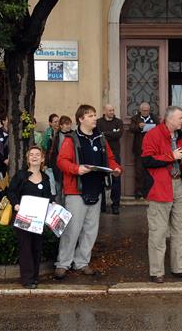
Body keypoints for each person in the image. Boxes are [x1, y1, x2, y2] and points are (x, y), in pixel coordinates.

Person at [54, 105, 121, 280]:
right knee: (72, 229)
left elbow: (111, 158)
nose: (94, 118)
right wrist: (77, 169)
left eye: (94, 115)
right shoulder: (72, 139)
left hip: (96, 189)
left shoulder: (100, 138)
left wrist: (115, 168)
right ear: (81, 119)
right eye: (90, 115)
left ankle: (82, 262)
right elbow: (61, 161)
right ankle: (63, 263)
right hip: (76, 190)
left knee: (91, 230)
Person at [142, 106, 182, 284]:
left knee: (181, 228)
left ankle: (179, 267)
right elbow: (147, 160)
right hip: (160, 186)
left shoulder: (180, 135)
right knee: (158, 231)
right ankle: (156, 271)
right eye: (180, 118)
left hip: (178, 183)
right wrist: (170, 156)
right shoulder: (153, 135)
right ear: (169, 119)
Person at [8, 146, 54, 289]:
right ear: (28, 159)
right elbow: (11, 192)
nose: (34, 157)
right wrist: (16, 204)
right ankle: (27, 279)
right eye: (31, 155)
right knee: (26, 247)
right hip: (24, 217)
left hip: (38, 219)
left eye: (37, 155)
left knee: (36, 247)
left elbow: (48, 195)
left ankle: (34, 277)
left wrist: (52, 203)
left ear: (42, 159)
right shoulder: (21, 176)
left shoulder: (45, 178)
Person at [97, 104, 124, 214]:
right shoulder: (99, 122)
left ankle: (115, 205)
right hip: (101, 154)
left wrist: (105, 134)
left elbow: (119, 134)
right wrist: (112, 133)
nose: (112, 112)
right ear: (104, 111)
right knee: (101, 179)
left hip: (115, 154)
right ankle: (102, 205)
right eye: (110, 110)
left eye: (113, 110)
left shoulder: (118, 122)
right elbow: (98, 135)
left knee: (116, 179)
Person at [129, 102, 158, 199]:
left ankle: (148, 192)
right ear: (140, 110)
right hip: (139, 149)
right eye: (144, 110)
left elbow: (159, 128)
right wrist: (139, 126)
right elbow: (131, 128)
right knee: (139, 172)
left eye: (147, 110)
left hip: (152, 149)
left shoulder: (154, 117)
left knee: (150, 171)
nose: (146, 112)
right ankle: (139, 192)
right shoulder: (135, 118)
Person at [49, 115, 73, 205]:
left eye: (70, 124)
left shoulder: (73, 135)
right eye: (66, 124)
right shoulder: (57, 136)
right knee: (58, 189)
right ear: (61, 125)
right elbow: (52, 152)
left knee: (67, 189)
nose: (69, 126)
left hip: (69, 166)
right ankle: (58, 208)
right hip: (58, 167)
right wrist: (51, 165)